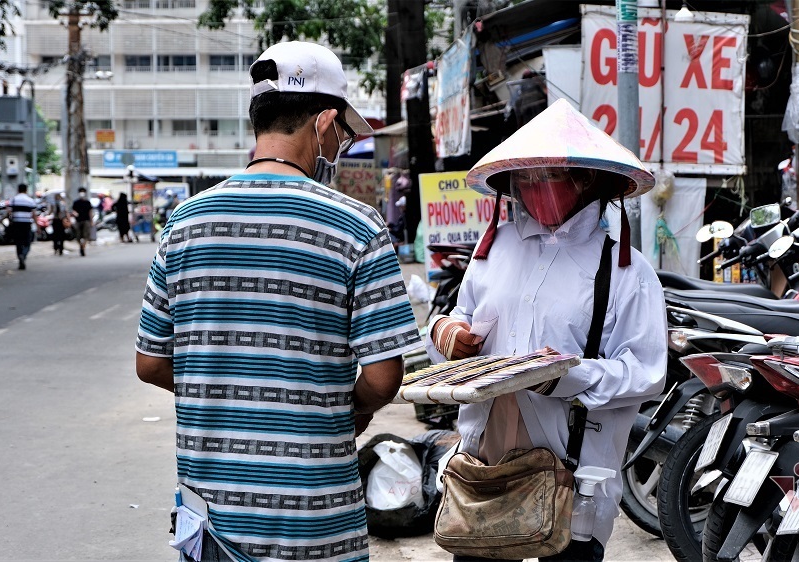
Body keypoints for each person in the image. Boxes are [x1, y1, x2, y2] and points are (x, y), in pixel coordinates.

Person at [135, 40, 422, 562]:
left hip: (210, 522)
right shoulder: (357, 226)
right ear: (323, 122)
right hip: (316, 521)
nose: (339, 145)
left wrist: (229, 384)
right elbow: (384, 378)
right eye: (341, 133)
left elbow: (151, 362)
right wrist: (337, 409)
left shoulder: (184, 223)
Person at [424, 99, 668, 562]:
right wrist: (446, 331)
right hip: (485, 466)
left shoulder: (625, 270)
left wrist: (566, 376)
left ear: (586, 180)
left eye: (549, 177)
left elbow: (646, 371)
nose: (537, 190)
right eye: (527, 178)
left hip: (570, 474)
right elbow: (460, 315)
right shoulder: (493, 249)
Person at [7, 184, 38, 270]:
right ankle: (23, 255)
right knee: (27, 242)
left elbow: (9, 212)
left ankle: (20, 255)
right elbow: (34, 214)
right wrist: (38, 226)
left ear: (18, 190)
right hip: (27, 224)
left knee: (18, 242)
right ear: (26, 190)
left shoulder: (13, 200)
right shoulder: (30, 200)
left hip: (16, 223)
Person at [72, 187, 93, 256]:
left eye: (83, 192)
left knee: (86, 235)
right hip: (78, 220)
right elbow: (73, 211)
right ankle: (81, 245)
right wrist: (75, 214)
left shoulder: (87, 202)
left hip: (86, 220)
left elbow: (90, 212)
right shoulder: (76, 202)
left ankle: (83, 246)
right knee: (78, 235)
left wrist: (91, 221)